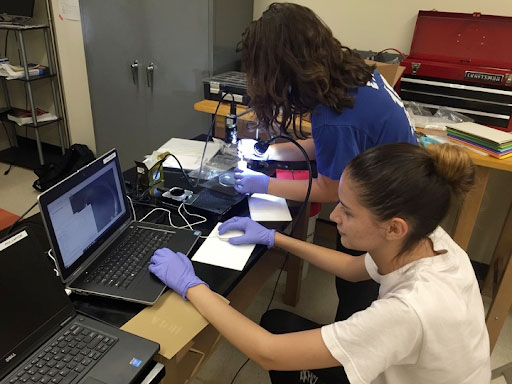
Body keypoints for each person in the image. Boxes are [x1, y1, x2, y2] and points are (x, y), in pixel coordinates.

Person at [149, 143, 491, 384]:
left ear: (394, 227)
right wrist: (274, 238)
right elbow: (353, 268)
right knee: (277, 321)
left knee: (275, 335)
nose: (335, 215)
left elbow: (269, 353)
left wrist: (191, 285)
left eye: (349, 211)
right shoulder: (428, 238)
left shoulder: (410, 311)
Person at [234, 2, 418, 322]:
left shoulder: (334, 117)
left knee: (355, 297)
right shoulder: (351, 76)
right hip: (397, 190)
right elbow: (334, 145)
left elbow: (329, 189)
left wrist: (263, 183)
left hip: (385, 216)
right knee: (356, 283)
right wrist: (272, 152)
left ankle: (345, 361)